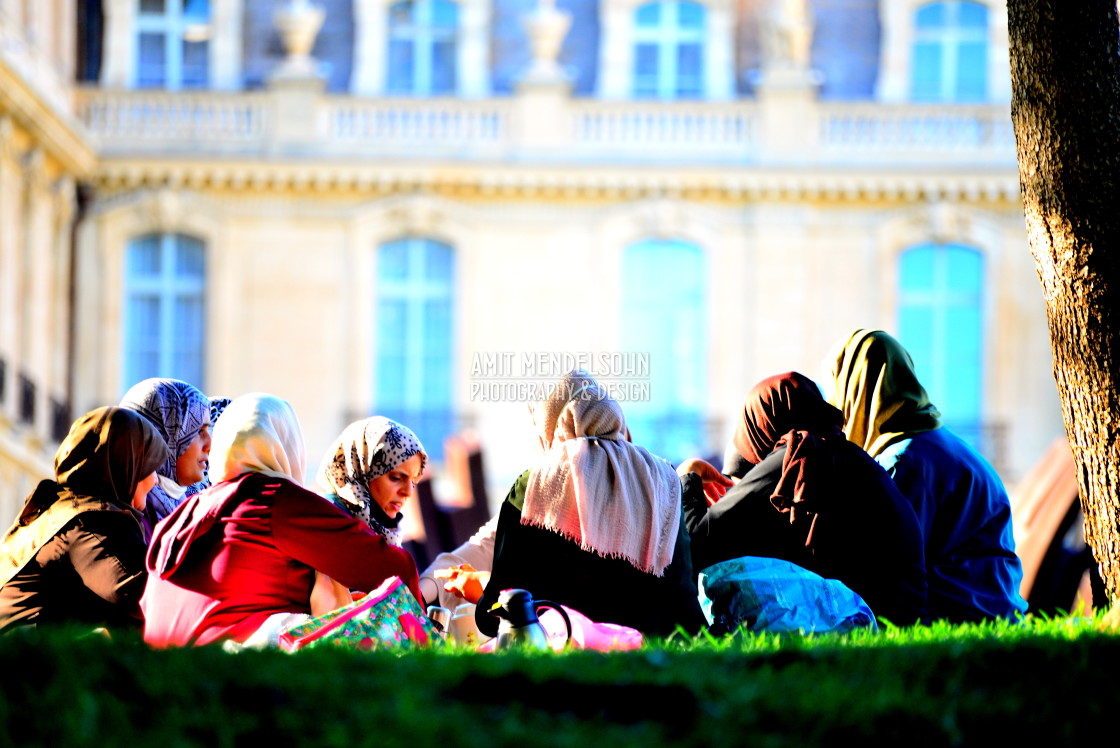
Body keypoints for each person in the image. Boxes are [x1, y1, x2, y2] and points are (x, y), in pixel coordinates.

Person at [140, 393, 422, 648]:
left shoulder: (189, 509)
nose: (408, 491)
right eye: (396, 477)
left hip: (164, 671)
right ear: (287, 443)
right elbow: (394, 569)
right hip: (239, 675)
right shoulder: (275, 499)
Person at [681, 372, 929, 626]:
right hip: (902, 621)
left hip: (872, 624)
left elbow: (695, 547)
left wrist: (686, 478)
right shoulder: (848, 458)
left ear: (761, 424)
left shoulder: (798, 453)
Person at [475, 370, 707, 639]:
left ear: (548, 424)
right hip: (657, 661)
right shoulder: (664, 480)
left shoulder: (536, 485)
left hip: (563, 663)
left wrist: (480, 593)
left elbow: (497, 615)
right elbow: (682, 602)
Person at [828, 328, 1027, 623]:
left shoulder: (902, 461)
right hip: (996, 607)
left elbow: (884, 567)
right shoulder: (943, 444)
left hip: (958, 613)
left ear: (855, 390)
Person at [0, 407, 166, 633]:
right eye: (150, 467)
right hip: (30, 660)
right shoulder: (92, 521)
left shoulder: (58, 508)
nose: (156, 481)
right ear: (125, 465)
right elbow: (152, 598)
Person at [119, 378, 212, 539]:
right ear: (163, 434)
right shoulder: (133, 510)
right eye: (198, 431)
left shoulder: (187, 505)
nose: (209, 444)